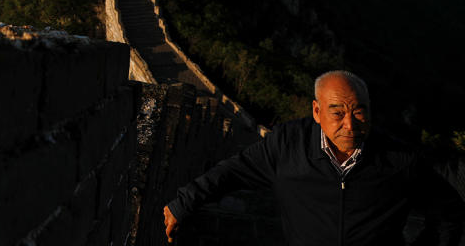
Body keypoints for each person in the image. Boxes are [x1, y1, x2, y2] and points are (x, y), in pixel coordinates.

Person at [162, 70, 463, 245]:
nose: (350, 124)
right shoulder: (288, 145)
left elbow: (449, 209)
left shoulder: (397, 159)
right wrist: (183, 203)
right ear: (317, 112)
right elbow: (235, 170)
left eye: (359, 112)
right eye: (338, 113)